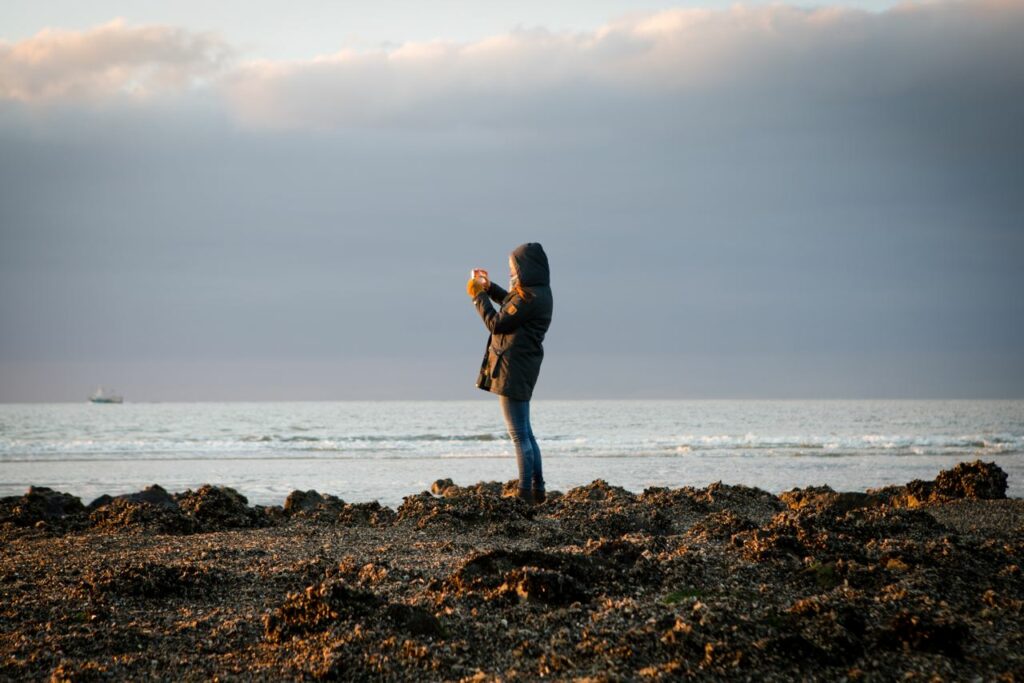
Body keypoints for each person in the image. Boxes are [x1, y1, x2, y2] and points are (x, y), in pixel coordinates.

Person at [467, 243, 553, 504]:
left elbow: (496, 323)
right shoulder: (536, 293)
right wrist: (489, 287)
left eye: (513, 268)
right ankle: (537, 490)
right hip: (521, 367)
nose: (511, 273)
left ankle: (524, 493)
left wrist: (476, 294)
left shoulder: (531, 297)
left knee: (519, 435)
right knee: (526, 432)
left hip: (512, 370)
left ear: (525, 268)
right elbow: (510, 304)